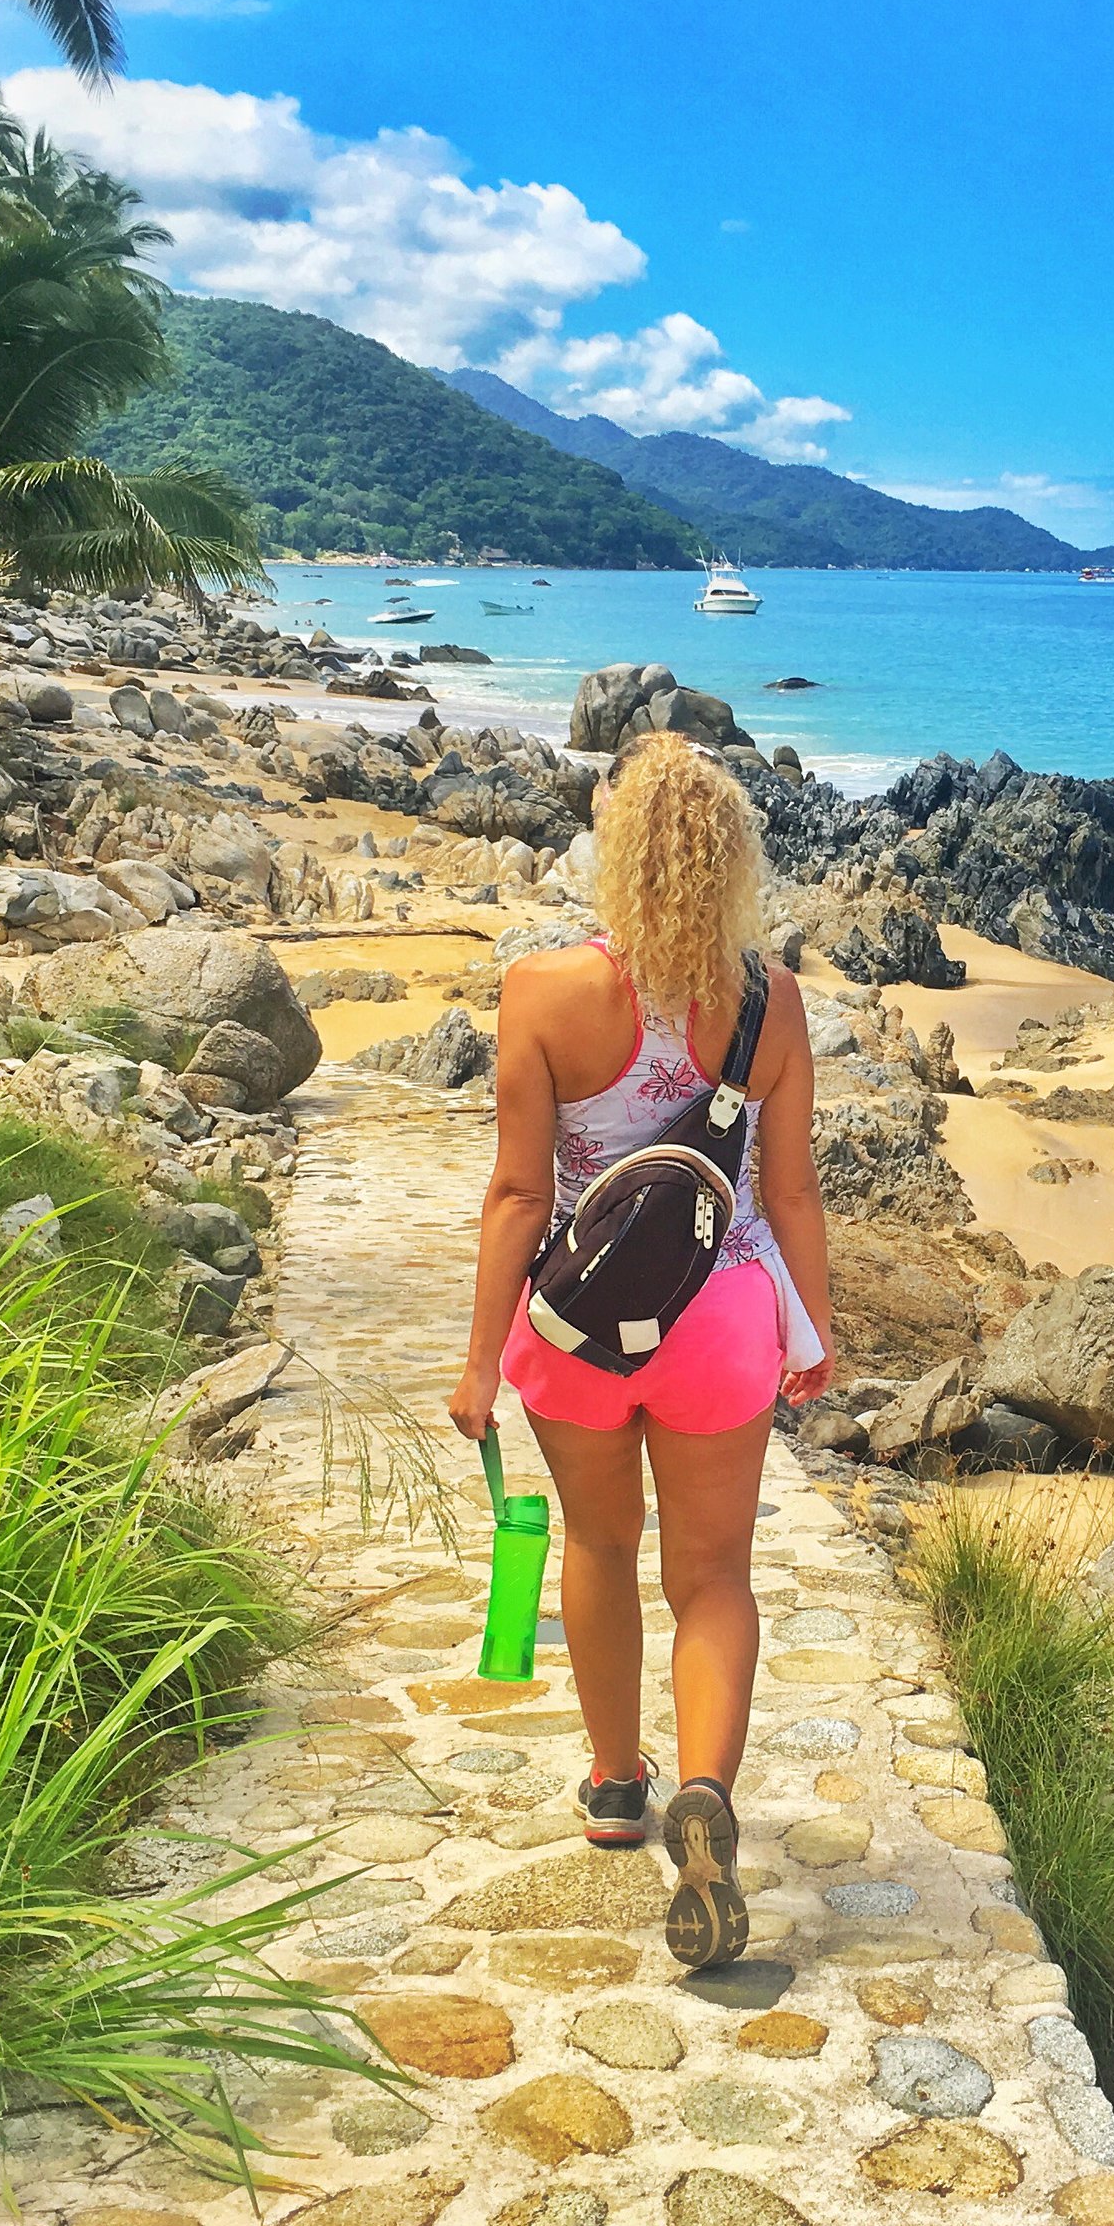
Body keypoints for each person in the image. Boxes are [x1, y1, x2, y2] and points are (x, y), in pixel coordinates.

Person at [447, 733, 836, 1968]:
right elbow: (792, 1192)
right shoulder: (771, 1002)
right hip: (718, 1320)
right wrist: (813, 1327)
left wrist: (478, 1362)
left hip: (578, 1323)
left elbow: (520, 1195)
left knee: (599, 1543)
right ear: (730, 855)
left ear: (612, 845)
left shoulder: (541, 992)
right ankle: (705, 1795)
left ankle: (618, 1784)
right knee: (713, 1575)